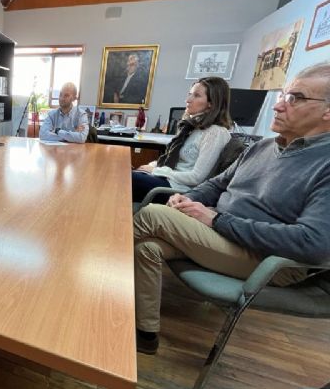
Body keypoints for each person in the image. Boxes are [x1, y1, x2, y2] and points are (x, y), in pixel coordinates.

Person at [133, 62, 330, 355]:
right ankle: (145, 334)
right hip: (225, 235)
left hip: (269, 260)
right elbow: (214, 185)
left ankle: (77, 291)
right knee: (147, 247)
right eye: (282, 96)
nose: (278, 106)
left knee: (150, 214)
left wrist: (218, 221)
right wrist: (189, 199)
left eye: (295, 98)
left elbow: (312, 244)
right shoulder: (262, 147)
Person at [131, 77, 232, 202]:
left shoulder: (215, 132)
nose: (187, 100)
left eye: (196, 95)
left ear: (212, 103)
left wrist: (156, 170)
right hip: (165, 179)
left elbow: (196, 178)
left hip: (177, 190)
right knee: (122, 173)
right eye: (190, 94)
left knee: (123, 180)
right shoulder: (190, 127)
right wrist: (151, 166)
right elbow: (171, 160)